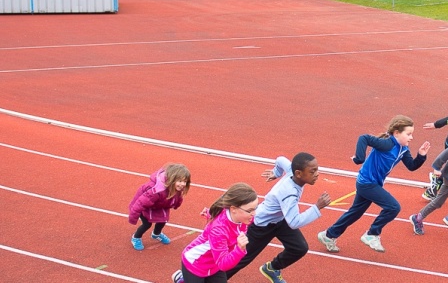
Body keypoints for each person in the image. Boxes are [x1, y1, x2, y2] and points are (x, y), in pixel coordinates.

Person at [319, 116, 431, 253]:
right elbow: (363, 138)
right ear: (396, 133)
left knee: (355, 213)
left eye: (412, 134)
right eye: (408, 134)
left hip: (371, 183)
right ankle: (372, 234)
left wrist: (421, 156)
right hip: (367, 183)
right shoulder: (387, 144)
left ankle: (329, 235)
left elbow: (412, 166)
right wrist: (359, 158)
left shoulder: (403, 150)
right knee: (393, 207)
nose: (411, 137)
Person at [225, 153, 330, 283]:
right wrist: (317, 207)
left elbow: (280, 159)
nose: (317, 174)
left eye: (317, 170)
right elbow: (294, 222)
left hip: (279, 220)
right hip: (261, 225)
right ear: (298, 173)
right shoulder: (289, 193)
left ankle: (272, 268)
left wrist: (276, 173)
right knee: (242, 259)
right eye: (312, 171)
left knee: (299, 248)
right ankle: (215, 279)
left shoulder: (292, 171)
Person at [173, 183, 258, 283]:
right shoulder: (219, 230)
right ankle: (181, 279)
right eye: (250, 210)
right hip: (196, 263)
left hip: (214, 264)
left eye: (255, 208)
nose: (254, 213)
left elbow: (219, 213)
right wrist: (239, 249)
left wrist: (210, 213)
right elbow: (223, 264)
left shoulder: (243, 217)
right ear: (233, 209)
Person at [128, 163, 191, 250]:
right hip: (146, 206)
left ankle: (156, 234)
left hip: (159, 205)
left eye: (185, 181)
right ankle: (136, 237)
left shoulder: (177, 188)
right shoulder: (156, 190)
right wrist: (133, 216)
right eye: (180, 181)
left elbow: (178, 197)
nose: (183, 184)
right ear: (172, 179)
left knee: (163, 220)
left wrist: (176, 204)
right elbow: (141, 203)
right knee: (147, 224)